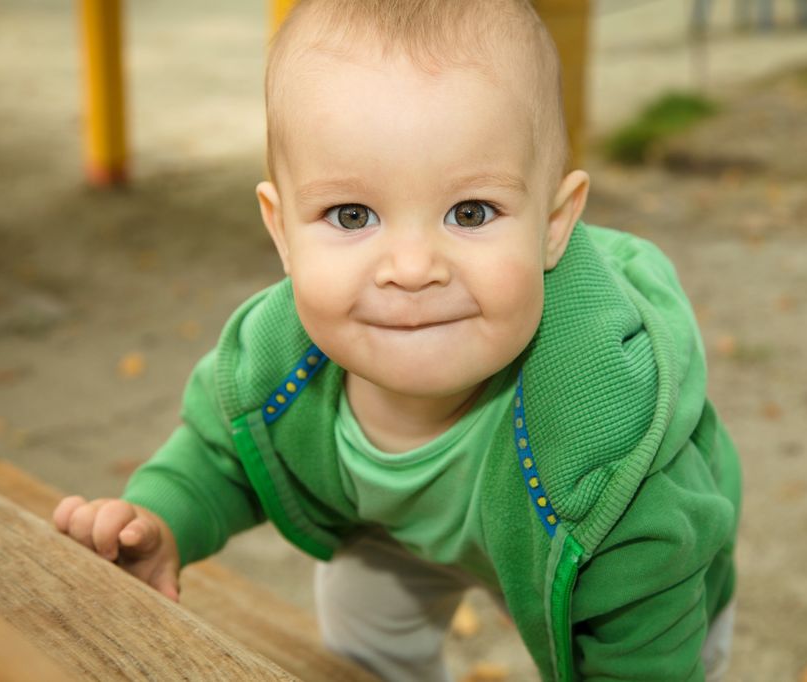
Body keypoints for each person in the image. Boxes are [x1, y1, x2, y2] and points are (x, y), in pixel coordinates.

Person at [52, 1, 742, 680]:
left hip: (609, 562)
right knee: (358, 620)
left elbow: (645, 633)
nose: (412, 269)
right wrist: (162, 522)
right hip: (400, 533)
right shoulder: (277, 360)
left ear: (555, 224)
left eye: (470, 212)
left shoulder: (611, 452)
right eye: (352, 214)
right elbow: (219, 452)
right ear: (282, 229)